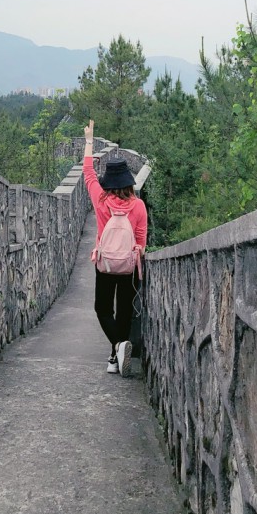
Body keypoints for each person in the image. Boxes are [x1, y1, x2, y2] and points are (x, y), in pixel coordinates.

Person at [83, 120, 147, 377]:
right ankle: (117, 354)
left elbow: (88, 173)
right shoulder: (138, 206)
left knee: (103, 309)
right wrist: (138, 252)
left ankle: (117, 348)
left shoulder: (101, 200)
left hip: (106, 263)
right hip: (129, 266)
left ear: (108, 180)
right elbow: (141, 240)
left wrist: (89, 141)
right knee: (124, 312)